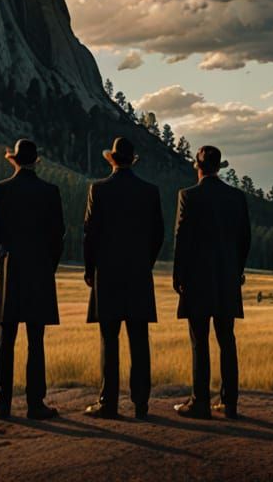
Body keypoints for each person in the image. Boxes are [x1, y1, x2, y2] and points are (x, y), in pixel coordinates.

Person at [0, 138, 65, 420]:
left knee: (5, 338)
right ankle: (35, 404)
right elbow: (58, 237)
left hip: (8, 268)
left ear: (14, 160)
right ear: (35, 162)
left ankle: (1, 402)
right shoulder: (50, 192)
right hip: (39, 270)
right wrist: (47, 266)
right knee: (35, 339)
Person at [82, 136, 164, 420]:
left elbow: (89, 234)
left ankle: (108, 403)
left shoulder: (99, 190)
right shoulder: (150, 191)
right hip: (139, 273)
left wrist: (90, 269)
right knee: (139, 340)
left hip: (108, 274)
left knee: (109, 338)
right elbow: (158, 235)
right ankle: (141, 405)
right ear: (133, 160)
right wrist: (146, 263)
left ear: (113, 160)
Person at [172, 145, 251, 421]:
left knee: (199, 341)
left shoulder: (188, 196)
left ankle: (200, 402)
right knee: (227, 340)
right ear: (219, 168)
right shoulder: (236, 197)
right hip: (227, 279)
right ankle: (229, 405)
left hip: (197, 280)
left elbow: (181, 239)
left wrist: (178, 276)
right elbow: (244, 240)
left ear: (198, 166)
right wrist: (237, 271)